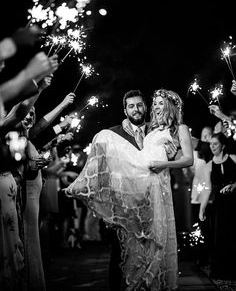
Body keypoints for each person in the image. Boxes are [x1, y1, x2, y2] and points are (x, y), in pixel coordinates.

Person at [66, 88, 193, 291]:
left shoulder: (156, 128)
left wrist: (171, 156)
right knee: (121, 252)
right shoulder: (117, 133)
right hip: (125, 203)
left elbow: (179, 155)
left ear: (145, 107)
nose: (136, 109)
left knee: (149, 248)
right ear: (125, 110)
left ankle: (146, 284)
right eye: (131, 106)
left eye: (140, 105)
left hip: (152, 196)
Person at [199, 132, 236, 281]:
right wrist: (202, 209)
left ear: (223, 145)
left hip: (234, 202)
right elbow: (207, 188)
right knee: (220, 237)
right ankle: (222, 271)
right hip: (220, 206)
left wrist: (235, 185)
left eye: (215, 144)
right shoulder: (208, 165)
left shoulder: (233, 159)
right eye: (210, 144)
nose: (212, 146)